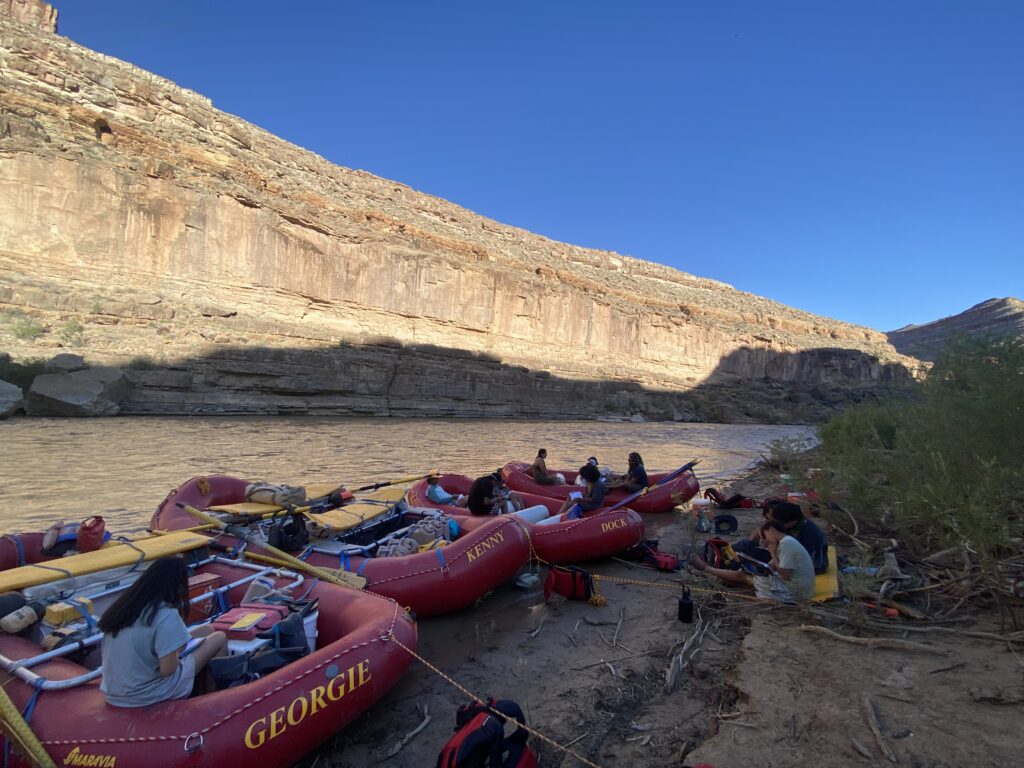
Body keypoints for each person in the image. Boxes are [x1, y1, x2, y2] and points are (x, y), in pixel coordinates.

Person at [98, 556, 227, 708]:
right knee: (219, 637)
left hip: (115, 691)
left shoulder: (123, 608)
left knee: (207, 629)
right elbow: (168, 670)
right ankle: (213, 700)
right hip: (146, 694)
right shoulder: (165, 614)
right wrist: (179, 654)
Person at [690, 520, 816, 603]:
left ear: (772, 530)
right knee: (745, 575)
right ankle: (708, 573)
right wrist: (749, 562)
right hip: (796, 589)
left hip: (796, 594)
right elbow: (771, 566)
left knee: (743, 576)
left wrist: (771, 551)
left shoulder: (787, 544)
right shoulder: (785, 543)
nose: (765, 541)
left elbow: (785, 575)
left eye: (765, 537)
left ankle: (706, 569)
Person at [732, 501, 828, 574]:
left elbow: (811, 564)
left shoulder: (810, 534)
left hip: (807, 567)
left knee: (753, 555)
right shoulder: (795, 525)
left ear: (788, 521)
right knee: (747, 546)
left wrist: (773, 553)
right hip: (790, 560)